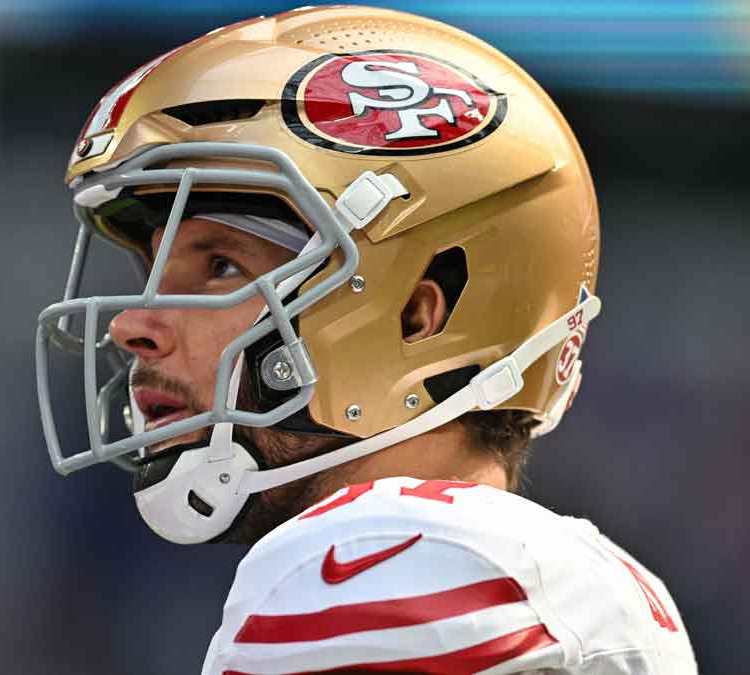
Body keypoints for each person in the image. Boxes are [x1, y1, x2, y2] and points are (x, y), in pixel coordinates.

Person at [34, 6, 698, 674]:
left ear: (416, 316)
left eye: (221, 267)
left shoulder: (381, 558)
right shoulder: (585, 579)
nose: (132, 326)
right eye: (153, 271)